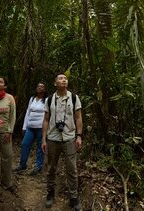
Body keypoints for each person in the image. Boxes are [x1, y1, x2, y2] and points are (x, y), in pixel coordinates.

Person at [42, 73, 83, 210]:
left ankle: (73, 197)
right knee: (51, 168)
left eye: (65, 78)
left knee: (72, 169)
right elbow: (46, 120)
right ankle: (50, 193)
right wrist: (43, 139)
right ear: (55, 83)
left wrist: (79, 136)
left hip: (69, 138)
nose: (63, 80)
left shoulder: (73, 98)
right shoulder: (49, 99)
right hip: (53, 138)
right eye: (60, 78)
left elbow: (78, 118)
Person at [16, 82, 47, 174]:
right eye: (38, 86)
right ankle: (22, 164)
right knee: (25, 144)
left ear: (45, 90)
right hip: (30, 126)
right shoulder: (32, 99)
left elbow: (48, 114)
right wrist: (24, 126)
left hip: (40, 127)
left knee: (40, 146)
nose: (39, 88)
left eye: (42, 87)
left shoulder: (46, 100)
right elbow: (28, 112)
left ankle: (38, 166)